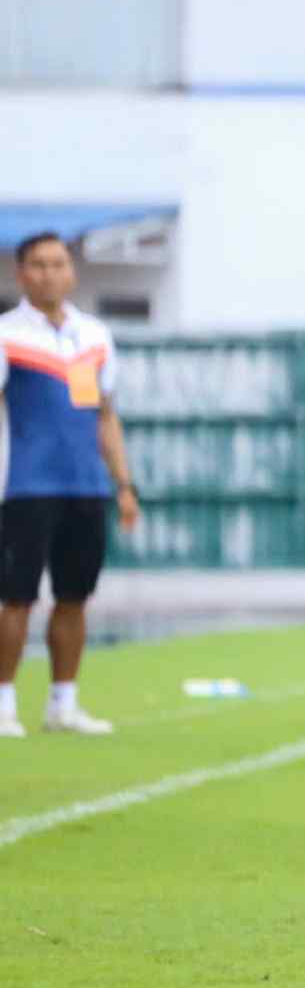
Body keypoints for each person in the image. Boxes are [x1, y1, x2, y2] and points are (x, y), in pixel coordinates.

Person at [0, 233, 142, 738]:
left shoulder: (95, 336)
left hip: (85, 488)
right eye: (37, 265)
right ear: (22, 274)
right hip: (23, 487)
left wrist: (123, 485)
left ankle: (64, 703)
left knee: (74, 596)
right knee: (15, 597)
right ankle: (4, 703)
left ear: (72, 272)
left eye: (58, 264)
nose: (49, 274)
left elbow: (107, 417)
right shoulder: (7, 334)